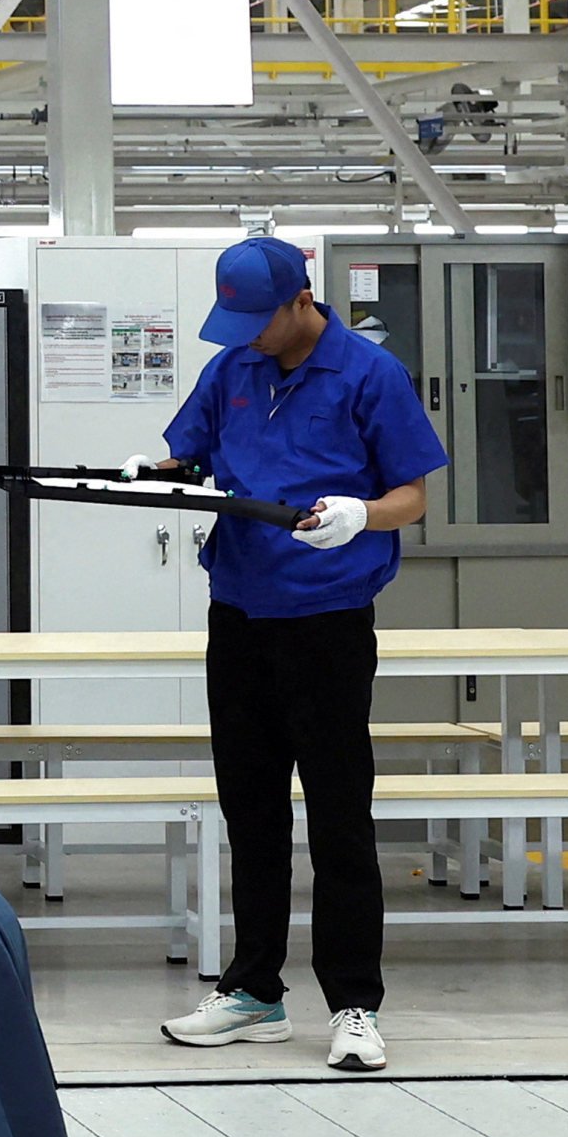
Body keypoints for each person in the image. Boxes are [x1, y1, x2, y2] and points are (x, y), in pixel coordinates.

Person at [149, 236, 448, 1072]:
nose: (244, 335)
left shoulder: (366, 372)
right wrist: (156, 470)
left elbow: (411, 494)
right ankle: (253, 991)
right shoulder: (233, 370)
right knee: (249, 807)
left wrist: (363, 513)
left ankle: (354, 1002)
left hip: (326, 618)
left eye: (256, 319)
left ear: (299, 300)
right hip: (238, 611)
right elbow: (191, 448)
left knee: (338, 813)